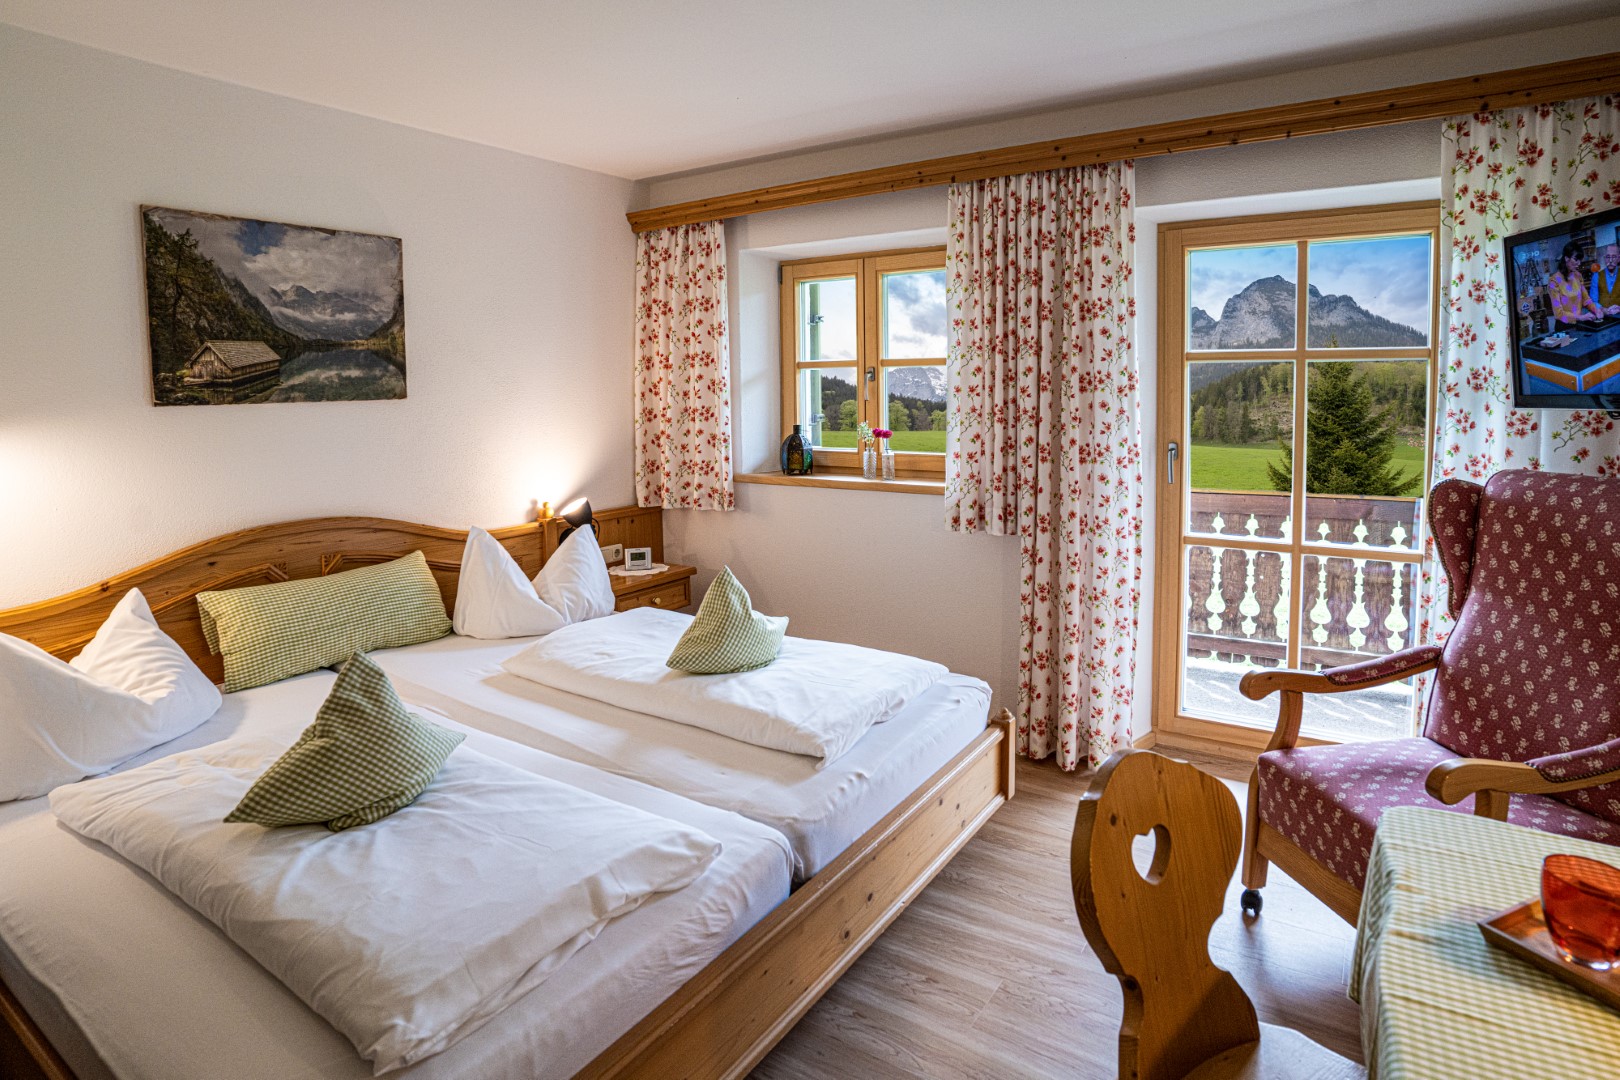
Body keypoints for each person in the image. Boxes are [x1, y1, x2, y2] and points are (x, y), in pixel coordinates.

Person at [1550, 242, 1604, 324]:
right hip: (1564, 326)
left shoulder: (1578, 276)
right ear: (1566, 258)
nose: (1579, 263)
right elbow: (1558, 314)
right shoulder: (1554, 281)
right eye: (1576, 259)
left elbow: (1586, 300)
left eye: (1580, 260)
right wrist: (1580, 317)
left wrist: (1596, 309)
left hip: (1579, 323)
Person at [1590, 243, 1620, 317]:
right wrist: (1603, 310)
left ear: (1619, 258)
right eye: (1608, 257)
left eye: (1614, 257)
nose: (1610, 260)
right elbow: (1593, 300)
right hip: (1603, 317)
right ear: (1604, 258)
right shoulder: (1596, 276)